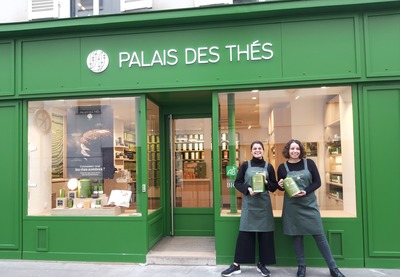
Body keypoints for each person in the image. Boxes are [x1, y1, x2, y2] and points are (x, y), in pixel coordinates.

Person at [277, 139, 345, 277]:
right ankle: (301, 267)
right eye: (292, 149)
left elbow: (317, 182)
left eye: (297, 149)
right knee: (296, 236)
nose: (294, 151)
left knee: (319, 235)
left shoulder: (310, 163)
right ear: (287, 151)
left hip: (309, 205)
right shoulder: (282, 168)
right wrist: (280, 185)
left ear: (301, 150)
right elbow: (281, 187)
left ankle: (333, 268)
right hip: (292, 207)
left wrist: (305, 191)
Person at [221, 141, 278, 277]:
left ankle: (262, 264)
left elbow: (274, 187)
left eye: (259, 148)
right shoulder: (245, 165)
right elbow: (238, 183)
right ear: (251, 151)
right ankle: (236, 265)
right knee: (245, 235)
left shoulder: (269, 167)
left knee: (265, 236)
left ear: (263, 151)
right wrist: (248, 189)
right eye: (255, 148)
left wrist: (266, 182)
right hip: (249, 206)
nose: (257, 150)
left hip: (264, 207)